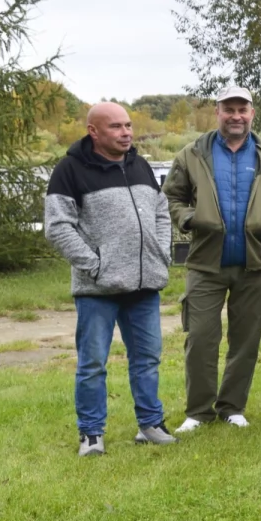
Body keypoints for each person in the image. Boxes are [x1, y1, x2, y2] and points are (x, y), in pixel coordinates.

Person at [163, 85, 261, 432]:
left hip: (255, 263)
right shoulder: (192, 154)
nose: (236, 116)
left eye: (243, 110)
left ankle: (232, 406)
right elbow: (171, 197)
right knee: (201, 338)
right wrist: (188, 218)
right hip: (205, 264)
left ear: (253, 113)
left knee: (247, 338)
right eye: (229, 109)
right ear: (218, 113)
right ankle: (198, 412)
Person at [44, 102, 178, 455]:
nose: (126, 133)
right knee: (92, 365)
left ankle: (150, 424)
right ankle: (91, 434)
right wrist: (96, 265)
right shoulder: (70, 170)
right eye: (117, 127)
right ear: (94, 131)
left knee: (147, 359)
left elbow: (161, 213)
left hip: (145, 284)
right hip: (97, 289)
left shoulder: (140, 165)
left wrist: (161, 253)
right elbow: (58, 227)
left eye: (129, 125)